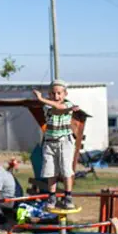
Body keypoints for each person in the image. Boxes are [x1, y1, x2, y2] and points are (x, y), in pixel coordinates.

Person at [33, 80, 80, 210]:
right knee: (50, 171)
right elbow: (54, 109)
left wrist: (41, 98)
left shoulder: (68, 104)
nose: (56, 96)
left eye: (59, 93)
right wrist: (43, 100)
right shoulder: (47, 106)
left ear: (65, 94)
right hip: (49, 142)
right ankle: (52, 196)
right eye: (53, 93)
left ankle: (68, 196)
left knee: (66, 170)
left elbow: (61, 109)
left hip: (64, 141)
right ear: (50, 94)